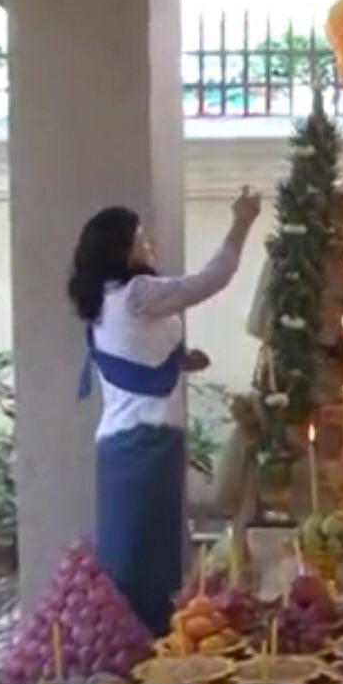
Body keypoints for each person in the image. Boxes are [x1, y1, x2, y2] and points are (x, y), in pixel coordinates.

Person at [67, 186, 261, 634]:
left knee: (131, 553)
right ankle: (148, 652)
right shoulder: (138, 293)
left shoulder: (106, 299)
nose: (148, 242)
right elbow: (211, 279)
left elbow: (134, 353)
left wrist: (178, 358)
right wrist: (242, 222)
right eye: (139, 236)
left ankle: (130, 645)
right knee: (149, 560)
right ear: (121, 247)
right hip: (146, 441)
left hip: (123, 444)